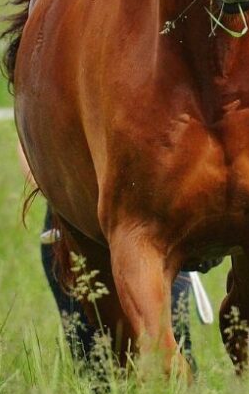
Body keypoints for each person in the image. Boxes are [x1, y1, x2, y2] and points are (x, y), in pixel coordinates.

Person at [19, 143, 198, 372]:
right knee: (99, 360)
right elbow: (29, 145)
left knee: (174, 343)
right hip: (78, 224)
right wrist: (69, 197)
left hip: (151, 226)